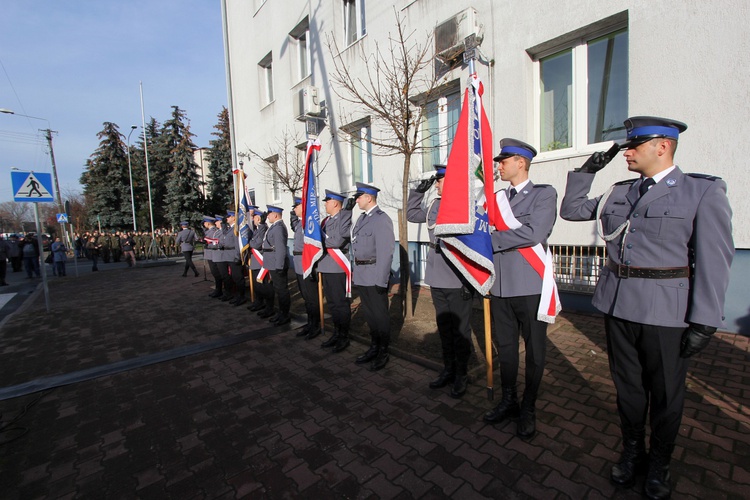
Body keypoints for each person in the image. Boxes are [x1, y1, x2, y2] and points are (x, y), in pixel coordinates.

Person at [559, 116, 734, 500]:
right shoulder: (619, 191)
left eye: (636, 144)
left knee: (667, 395)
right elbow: (571, 211)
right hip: (618, 306)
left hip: (667, 313)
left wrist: (705, 320)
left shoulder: (700, 192)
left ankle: (660, 463)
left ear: (663, 146)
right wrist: (586, 172)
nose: (628, 151)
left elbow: (714, 259)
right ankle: (633, 451)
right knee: (629, 391)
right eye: (627, 145)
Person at [482, 138, 558, 440]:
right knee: (508, 349)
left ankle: (529, 406)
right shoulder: (495, 198)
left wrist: (492, 241)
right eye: (499, 161)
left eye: (504, 161)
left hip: (529, 285)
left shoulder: (543, 194)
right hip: (500, 286)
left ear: (521, 163)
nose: (499, 166)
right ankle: (509, 399)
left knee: (536, 351)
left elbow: (534, 232)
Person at [407, 165, 474, 398]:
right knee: (444, 328)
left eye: (440, 180)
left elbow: (473, 245)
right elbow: (411, 215)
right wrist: (417, 192)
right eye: (436, 181)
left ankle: (462, 375)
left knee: (460, 330)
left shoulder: (465, 206)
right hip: (436, 275)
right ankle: (449, 369)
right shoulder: (434, 204)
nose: (436, 184)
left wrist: (468, 281)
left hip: (457, 277)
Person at [350, 182, 395, 371]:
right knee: (370, 315)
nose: (357, 199)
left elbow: (386, 252)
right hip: (362, 274)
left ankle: (383, 350)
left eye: (359, 196)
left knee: (380, 315)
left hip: (375, 274)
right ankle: (374, 346)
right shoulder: (361, 219)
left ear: (369, 198)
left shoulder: (381, 219)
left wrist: (381, 279)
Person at [318, 190, 354, 351]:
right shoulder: (325, 221)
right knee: (332, 303)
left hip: (337, 266)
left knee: (340, 304)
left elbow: (338, 240)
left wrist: (321, 244)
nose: (325, 204)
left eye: (327, 201)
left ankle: (344, 336)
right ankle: (337, 333)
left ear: (335, 203)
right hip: (326, 265)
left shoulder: (344, 218)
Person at [290, 196, 322, 340]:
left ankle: (315, 325)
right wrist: (292, 215)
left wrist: (313, 267)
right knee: (306, 298)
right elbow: (293, 224)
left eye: (296, 206)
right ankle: (310, 323)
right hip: (298, 263)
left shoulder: (310, 224)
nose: (294, 209)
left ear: (303, 207)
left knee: (311, 298)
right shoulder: (300, 223)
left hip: (307, 264)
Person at [263, 205, 291, 325]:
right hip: (272, 262)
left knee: (282, 291)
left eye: (269, 213)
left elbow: (280, 249)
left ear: (275, 215)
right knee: (278, 289)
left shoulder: (278, 228)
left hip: (276, 263)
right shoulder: (274, 226)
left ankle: (284, 315)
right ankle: (281, 313)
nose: (267, 216)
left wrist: (279, 266)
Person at [248, 211, 274, 314]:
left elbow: (257, 244)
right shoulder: (257, 230)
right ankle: (259, 302)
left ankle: (269, 306)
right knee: (257, 285)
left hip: (260, 261)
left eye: (254, 218)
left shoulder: (263, 229)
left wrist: (250, 242)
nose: (253, 219)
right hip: (255, 261)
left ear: (258, 219)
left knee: (264, 285)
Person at [224, 211, 246, 306]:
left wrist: (238, 256)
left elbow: (237, 244)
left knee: (238, 278)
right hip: (230, 255)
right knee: (235, 277)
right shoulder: (231, 228)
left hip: (234, 255)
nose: (227, 218)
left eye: (229, 217)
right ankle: (238, 296)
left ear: (234, 218)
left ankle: (242, 296)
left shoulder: (236, 229)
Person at [202, 215, 222, 297]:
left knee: (216, 273)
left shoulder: (214, 231)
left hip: (213, 254)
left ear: (207, 223)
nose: (204, 225)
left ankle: (219, 290)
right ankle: (218, 289)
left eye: (204, 223)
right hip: (210, 254)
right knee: (215, 273)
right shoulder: (210, 231)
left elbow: (214, 242)